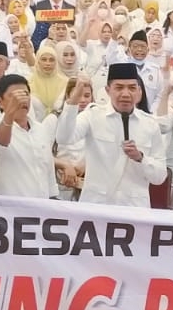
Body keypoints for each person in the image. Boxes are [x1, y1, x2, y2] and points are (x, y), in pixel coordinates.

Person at [57, 62, 167, 208]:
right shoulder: (93, 115)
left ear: (139, 91)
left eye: (132, 88)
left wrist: (141, 158)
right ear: (108, 90)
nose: (125, 94)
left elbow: (160, 176)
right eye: (119, 88)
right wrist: (73, 101)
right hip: (97, 206)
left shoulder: (150, 124)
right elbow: (64, 138)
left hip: (134, 209)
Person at [0, 75, 60, 198]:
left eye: (25, 94)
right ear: (0, 102)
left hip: (42, 206)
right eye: (14, 96)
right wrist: (10, 113)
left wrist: (52, 197)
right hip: (11, 207)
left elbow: (48, 172)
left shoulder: (40, 129)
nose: (21, 100)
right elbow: (1, 142)